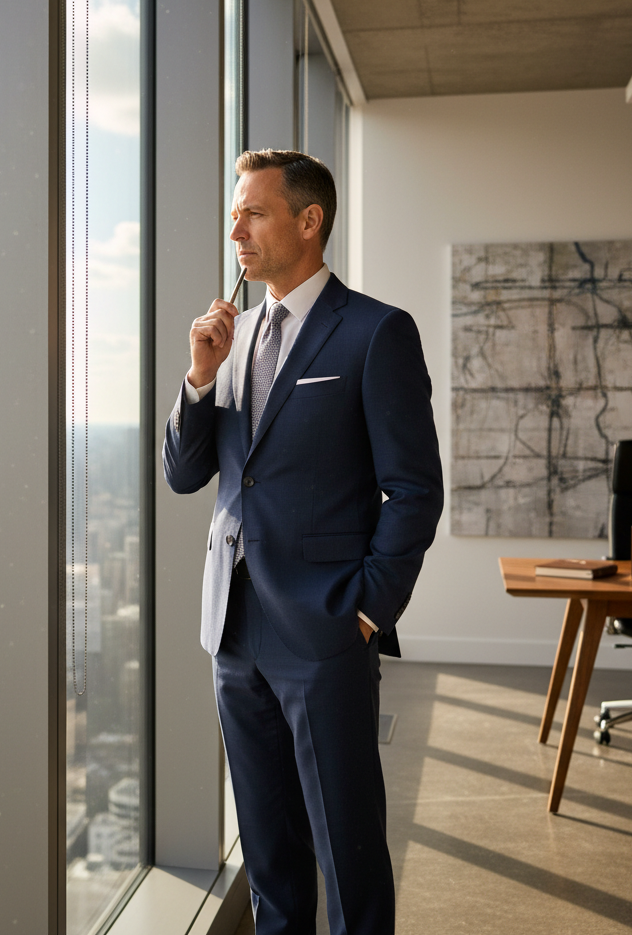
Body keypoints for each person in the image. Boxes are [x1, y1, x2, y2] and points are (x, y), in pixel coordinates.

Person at [163, 149, 442, 935]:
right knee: (270, 857)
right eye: (233, 214)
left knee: (346, 854)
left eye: (252, 212)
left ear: (308, 220)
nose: (235, 231)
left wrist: (366, 610)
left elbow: (415, 488)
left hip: (323, 630)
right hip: (234, 631)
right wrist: (197, 377)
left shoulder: (376, 332)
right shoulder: (234, 334)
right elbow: (186, 476)